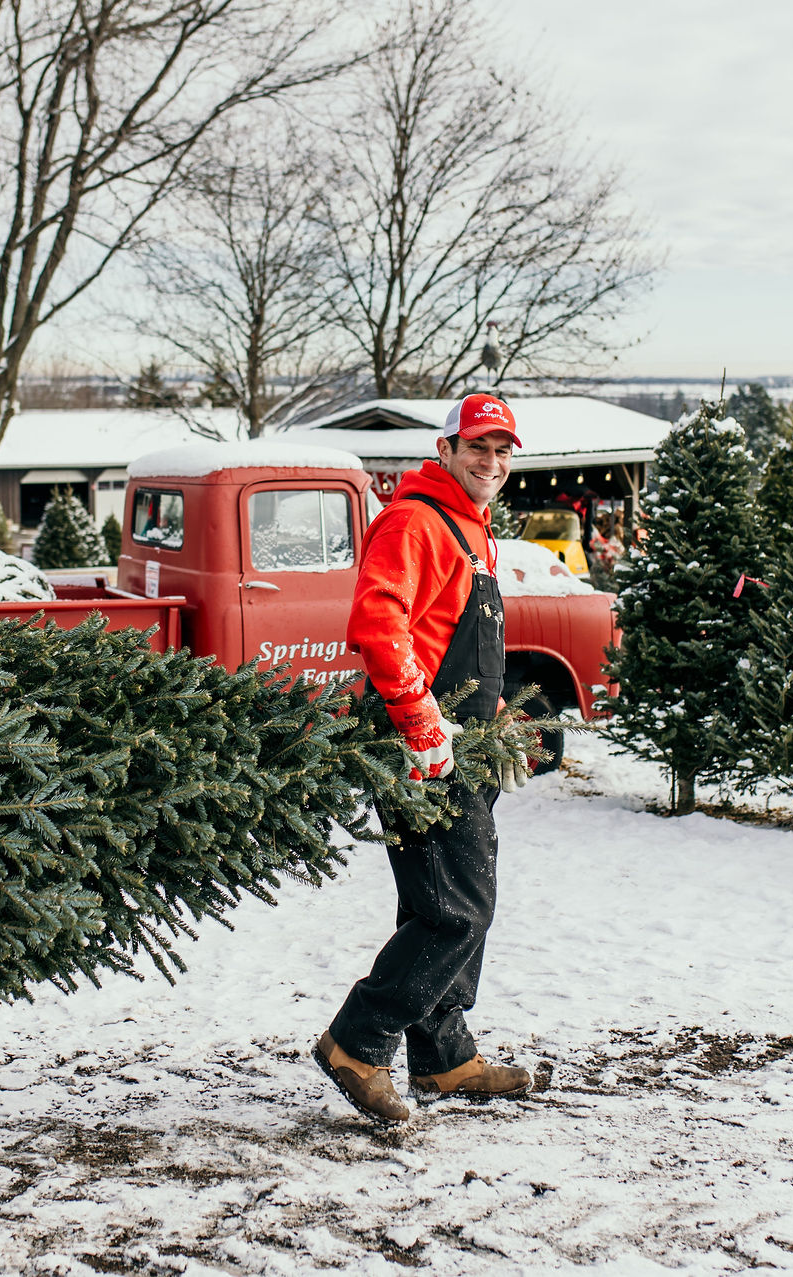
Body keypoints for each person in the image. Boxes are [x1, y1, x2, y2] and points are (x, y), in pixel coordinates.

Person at [315, 393, 536, 1125]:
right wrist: (418, 720)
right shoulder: (415, 520)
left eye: (504, 452)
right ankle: (357, 1040)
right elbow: (379, 625)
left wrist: (494, 718)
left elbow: (451, 637)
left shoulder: (475, 533)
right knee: (456, 911)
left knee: (441, 900)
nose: (492, 463)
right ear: (445, 450)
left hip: (464, 744)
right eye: (479, 447)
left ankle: (443, 1057)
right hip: (422, 747)